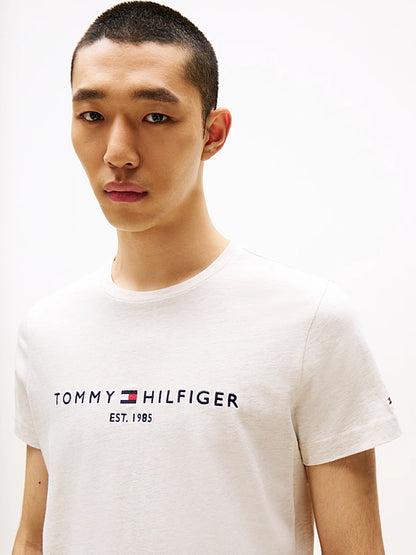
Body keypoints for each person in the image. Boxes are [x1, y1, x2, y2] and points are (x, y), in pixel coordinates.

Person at [13, 2, 400, 554]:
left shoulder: (309, 321)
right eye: (92, 116)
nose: (118, 153)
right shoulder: (47, 331)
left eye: (155, 117)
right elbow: (33, 540)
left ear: (212, 133)